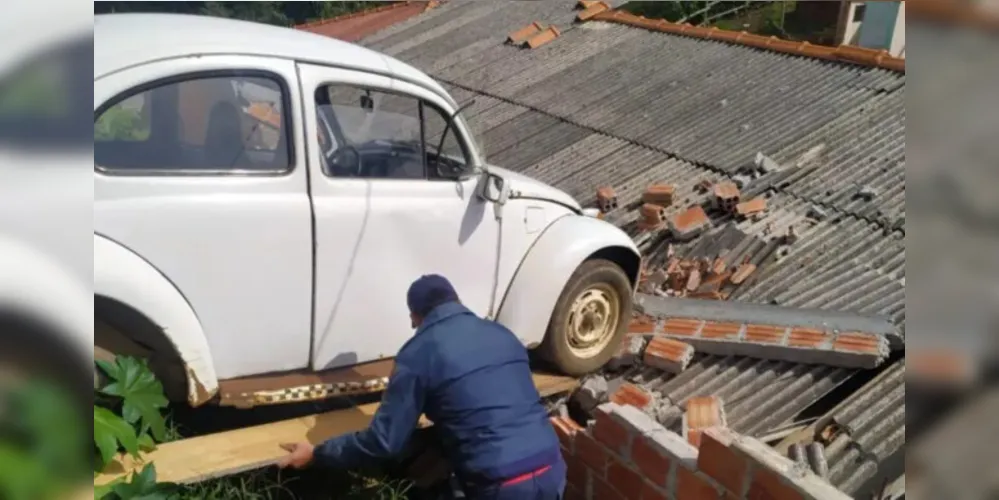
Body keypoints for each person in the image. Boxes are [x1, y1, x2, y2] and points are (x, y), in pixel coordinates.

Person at [278, 274, 566, 499]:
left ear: (415, 317)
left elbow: (384, 442)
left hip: (501, 484)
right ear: (456, 301)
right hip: (552, 466)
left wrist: (317, 453)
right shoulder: (503, 334)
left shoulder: (417, 354)